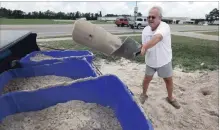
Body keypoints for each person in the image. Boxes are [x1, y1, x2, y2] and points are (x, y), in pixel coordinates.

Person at [139, 6, 180, 109]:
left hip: (164, 60)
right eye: (149, 17)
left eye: (153, 17)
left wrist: (144, 47)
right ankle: (144, 94)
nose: (150, 19)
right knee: (147, 79)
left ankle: (170, 98)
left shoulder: (164, 26)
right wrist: (142, 49)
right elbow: (144, 45)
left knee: (168, 80)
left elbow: (157, 37)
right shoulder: (145, 30)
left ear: (160, 18)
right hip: (150, 61)